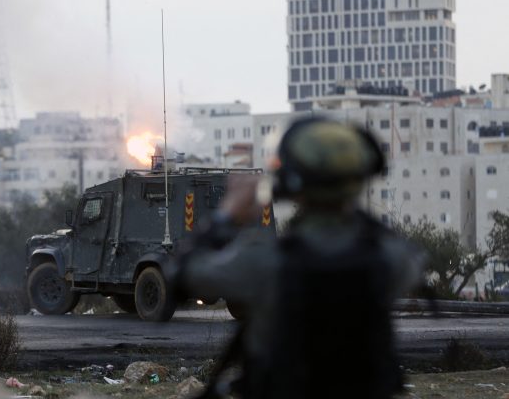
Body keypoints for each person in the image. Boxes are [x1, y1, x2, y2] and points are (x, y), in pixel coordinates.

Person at [173, 117, 426, 399]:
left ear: (291, 182)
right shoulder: (393, 261)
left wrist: (227, 215)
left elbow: (184, 273)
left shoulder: (263, 261)